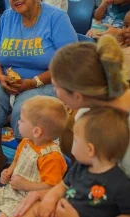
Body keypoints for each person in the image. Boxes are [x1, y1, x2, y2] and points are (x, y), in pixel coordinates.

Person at [13, 35, 130, 217]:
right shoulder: (86, 114)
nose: (54, 93)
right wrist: (49, 194)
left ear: (77, 96)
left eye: (56, 87)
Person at [0, 0, 77, 186]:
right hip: (6, 78)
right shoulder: (7, 17)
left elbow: (70, 62)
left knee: (26, 110)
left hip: (45, 80)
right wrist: (0, 77)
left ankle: (28, 167)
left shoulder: (56, 18)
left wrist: (33, 82)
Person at [0, 96, 68, 217]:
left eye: (22, 120)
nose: (17, 122)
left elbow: (52, 187)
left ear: (36, 131)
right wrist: (8, 171)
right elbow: (16, 162)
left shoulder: (51, 156)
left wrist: (25, 185)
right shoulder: (26, 142)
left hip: (30, 201)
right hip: (12, 191)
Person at [27, 107, 130, 217]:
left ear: (90, 150)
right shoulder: (80, 167)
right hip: (61, 210)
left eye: (75, 140)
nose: (72, 145)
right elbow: (63, 185)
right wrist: (50, 199)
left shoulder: (120, 184)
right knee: (33, 208)